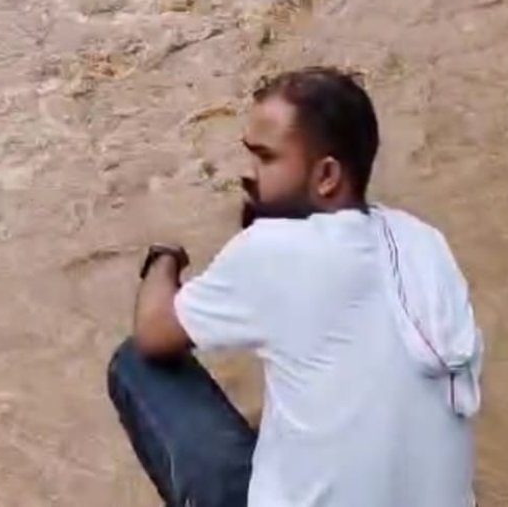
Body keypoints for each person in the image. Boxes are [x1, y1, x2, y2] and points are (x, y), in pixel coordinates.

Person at [107, 67, 482, 507]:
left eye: (265, 159)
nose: (247, 175)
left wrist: (164, 258)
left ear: (326, 176)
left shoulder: (274, 249)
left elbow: (154, 333)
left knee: (135, 363)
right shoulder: (424, 242)